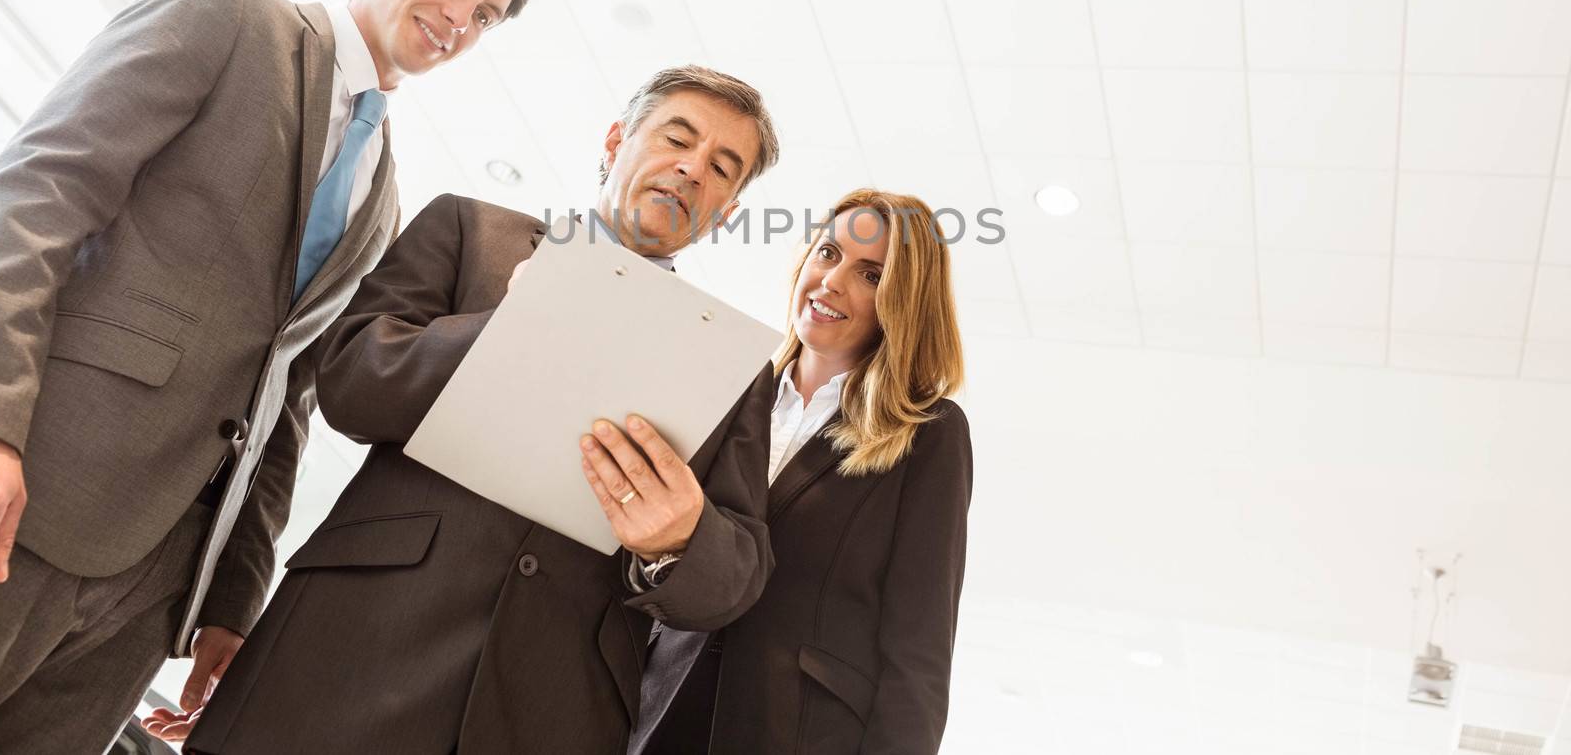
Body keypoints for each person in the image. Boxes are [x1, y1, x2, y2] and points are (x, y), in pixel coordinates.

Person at [0, 0, 540, 754]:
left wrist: (232, 594)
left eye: (485, 15)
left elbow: (290, 392)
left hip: (161, 579)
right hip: (36, 487)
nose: (460, 19)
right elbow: (37, 196)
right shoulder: (230, 12)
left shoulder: (382, 194)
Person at [174, 66, 783, 753]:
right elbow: (347, 381)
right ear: (616, 140)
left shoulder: (732, 366)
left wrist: (679, 539)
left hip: (550, 709)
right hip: (349, 650)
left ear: (728, 207)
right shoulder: (469, 229)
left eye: (723, 167)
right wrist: (505, 322)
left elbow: (735, 572)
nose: (692, 169)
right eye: (679, 137)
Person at [629, 189, 973, 755]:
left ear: (902, 301)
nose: (833, 281)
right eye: (828, 253)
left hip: (798, 732)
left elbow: (921, 648)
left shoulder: (928, 432)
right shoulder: (726, 391)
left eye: (870, 274)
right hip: (659, 711)